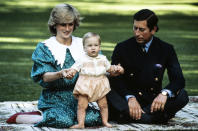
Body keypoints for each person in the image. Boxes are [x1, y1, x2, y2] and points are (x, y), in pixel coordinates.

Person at [6, 4, 103, 128]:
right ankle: (33, 117)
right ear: (55, 24)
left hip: (79, 99)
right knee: (63, 121)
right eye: (63, 24)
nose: (67, 28)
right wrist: (60, 74)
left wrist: (110, 70)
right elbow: (44, 77)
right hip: (54, 98)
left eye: (70, 24)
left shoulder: (84, 44)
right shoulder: (45, 47)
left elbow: (99, 64)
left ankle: (58, 116)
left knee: (94, 118)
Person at [107, 9, 189, 124]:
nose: (137, 33)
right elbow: (116, 79)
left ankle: (137, 116)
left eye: (142, 29)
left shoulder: (166, 49)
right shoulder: (122, 47)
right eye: (135, 28)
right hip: (127, 101)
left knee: (183, 96)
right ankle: (155, 118)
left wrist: (164, 93)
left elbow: (178, 79)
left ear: (153, 29)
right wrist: (129, 97)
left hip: (152, 102)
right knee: (105, 87)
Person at [66, 32, 124, 128]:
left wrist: (116, 69)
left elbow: (109, 69)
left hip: (100, 84)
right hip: (85, 84)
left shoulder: (103, 58)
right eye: (89, 46)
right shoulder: (82, 59)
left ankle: (105, 121)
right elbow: (74, 68)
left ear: (99, 47)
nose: (93, 48)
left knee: (103, 105)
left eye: (96, 45)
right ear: (84, 48)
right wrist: (71, 72)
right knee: (81, 105)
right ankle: (81, 123)